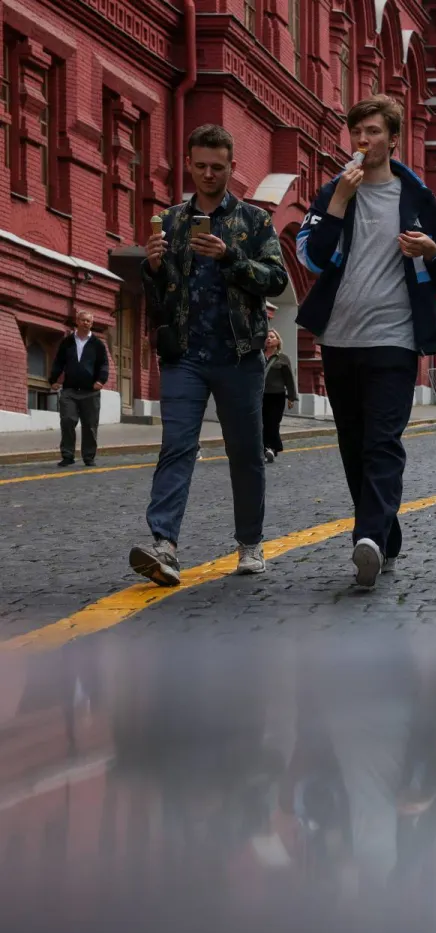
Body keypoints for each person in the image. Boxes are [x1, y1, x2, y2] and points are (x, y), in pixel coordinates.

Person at [296, 95, 436, 589]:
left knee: (382, 442)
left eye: (373, 132)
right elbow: (311, 258)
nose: (363, 142)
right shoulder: (334, 192)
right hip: (339, 338)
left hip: (394, 339)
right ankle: (385, 537)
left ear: (393, 139)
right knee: (353, 446)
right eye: (357, 133)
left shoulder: (415, 197)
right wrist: (335, 206)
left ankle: (367, 537)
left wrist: (432, 250)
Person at [130, 124, 288, 587]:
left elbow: (275, 280)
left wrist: (229, 258)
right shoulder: (173, 220)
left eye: (217, 168)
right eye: (199, 166)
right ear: (189, 164)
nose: (207, 174)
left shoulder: (253, 222)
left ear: (231, 167)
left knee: (245, 453)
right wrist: (154, 267)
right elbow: (160, 296)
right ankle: (164, 545)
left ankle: (250, 543)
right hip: (185, 356)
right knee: (177, 446)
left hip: (239, 356)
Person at [49, 308, 107, 468]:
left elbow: (103, 365)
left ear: (92, 324)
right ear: (77, 321)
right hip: (70, 390)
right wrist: (53, 379)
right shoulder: (67, 342)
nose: (85, 323)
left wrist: (101, 381)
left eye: (88, 321)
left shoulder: (97, 344)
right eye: (83, 320)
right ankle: (67, 455)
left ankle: (89, 457)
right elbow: (58, 362)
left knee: (89, 425)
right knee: (67, 420)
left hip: (90, 392)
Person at [261, 330, 297, 463]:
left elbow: (289, 379)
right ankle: (266, 448)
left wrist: (291, 397)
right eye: (266, 337)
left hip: (277, 396)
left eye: (272, 337)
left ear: (278, 341)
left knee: (273, 422)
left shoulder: (283, 358)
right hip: (260, 396)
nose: (269, 339)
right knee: (261, 423)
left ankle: (270, 448)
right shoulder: (258, 356)